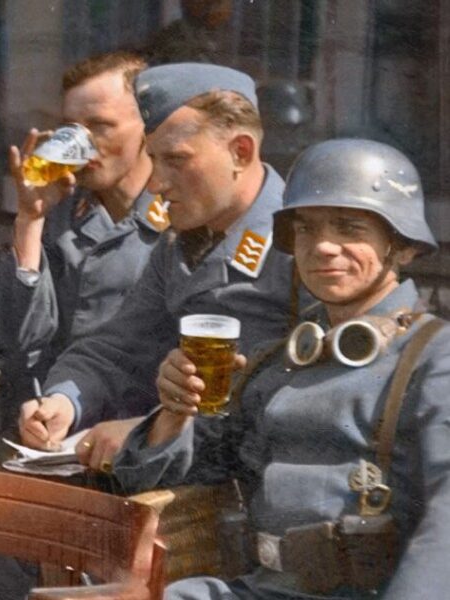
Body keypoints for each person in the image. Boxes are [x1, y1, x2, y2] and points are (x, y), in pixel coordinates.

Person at [117, 139, 446, 599]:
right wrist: (175, 413)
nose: (324, 246)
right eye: (307, 230)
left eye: (350, 228)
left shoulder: (435, 359)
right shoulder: (278, 364)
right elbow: (175, 482)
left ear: (402, 248)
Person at [18, 63, 297, 469]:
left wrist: (146, 433)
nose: (156, 183)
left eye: (176, 160)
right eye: (153, 159)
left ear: (240, 152)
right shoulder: (180, 242)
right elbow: (118, 348)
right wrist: (64, 402)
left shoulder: (300, 243)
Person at [0, 51, 163, 443]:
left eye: (100, 127)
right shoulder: (61, 212)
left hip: (137, 433)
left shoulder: (182, 217)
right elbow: (22, 344)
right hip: (51, 424)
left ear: (150, 130)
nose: (82, 144)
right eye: (71, 128)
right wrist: (30, 222)